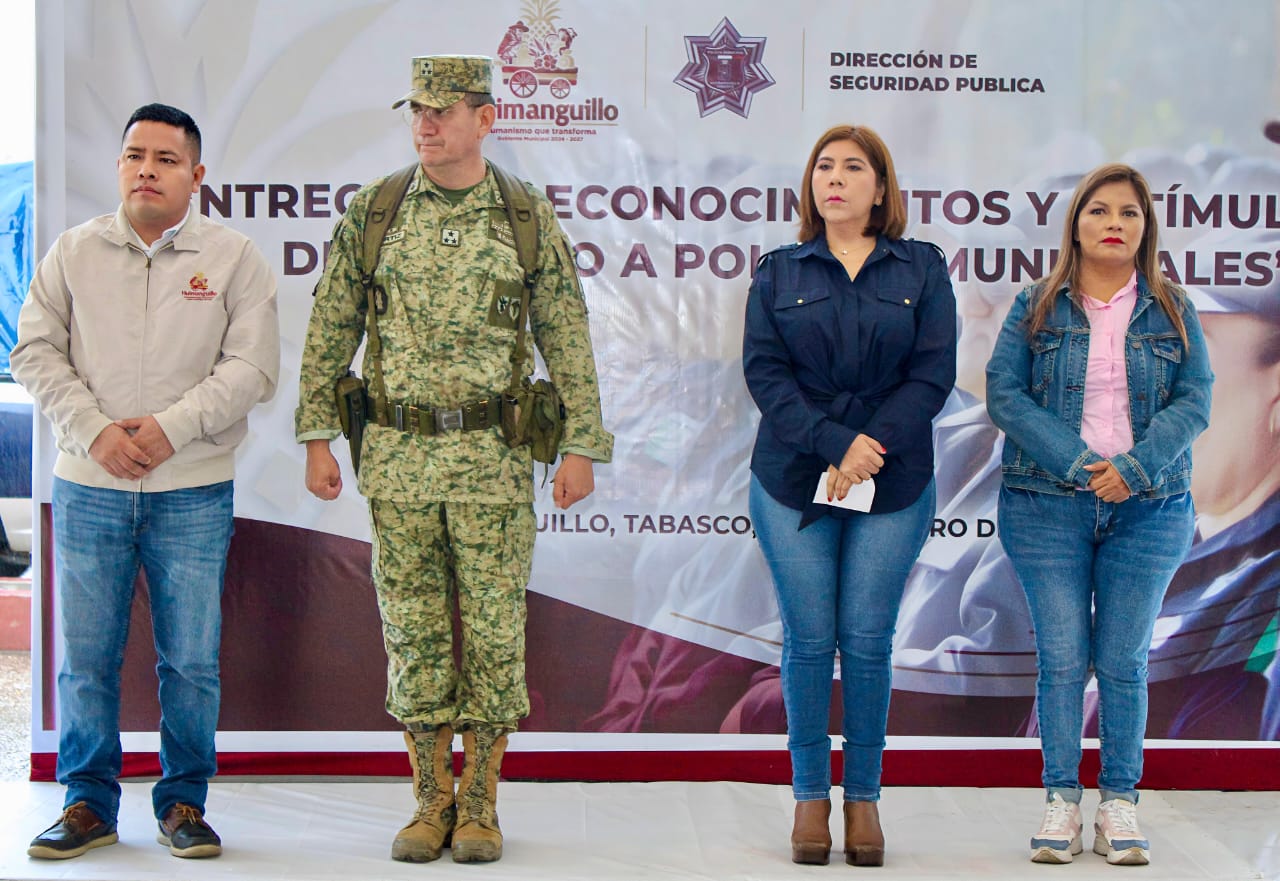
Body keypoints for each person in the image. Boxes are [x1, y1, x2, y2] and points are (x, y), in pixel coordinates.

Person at [295, 55, 612, 864]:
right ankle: (430, 799)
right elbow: (332, 328)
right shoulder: (376, 210)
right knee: (414, 631)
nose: (426, 124)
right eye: (418, 110)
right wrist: (317, 436)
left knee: (498, 633)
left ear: (485, 118)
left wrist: (580, 443)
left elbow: (565, 333)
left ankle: (481, 803)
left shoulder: (522, 213)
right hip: (398, 462)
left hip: (494, 462)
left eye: (444, 110)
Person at [10, 103, 280, 860]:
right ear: (119, 166)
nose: (147, 170)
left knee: (190, 659)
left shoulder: (233, 257)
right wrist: (95, 430)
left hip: (191, 488)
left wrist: (171, 428)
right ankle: (88, 802)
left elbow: (252, 367)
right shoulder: (73, 252)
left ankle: (183, 802)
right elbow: (34, 351)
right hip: (89, 484)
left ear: (196, 176)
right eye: (135, 155)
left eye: (166, 158)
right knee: (85, 656)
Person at [985, 163, 1213, 866]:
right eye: (1099, 210)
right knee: (1062, 658)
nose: (1115, 222)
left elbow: (1194, 401)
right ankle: (1061, 799)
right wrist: (1082, 465)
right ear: (1076, 224)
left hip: (1150, 508)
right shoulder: (1036, 304)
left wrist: (1134, 470)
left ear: (1145, 228)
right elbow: (1005, 395)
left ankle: (1119, 803)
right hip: (1045, 505)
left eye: (1130, 213)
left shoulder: (1172, 308)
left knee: (1122, 660)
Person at [742, 124, 957, 867]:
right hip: (795, 473)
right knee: (809, 640)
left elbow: (932, 374)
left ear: (880, 186)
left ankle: (861, 796)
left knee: (866, 639)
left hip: (893, 478)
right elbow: (765, 375)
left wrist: (869, 450)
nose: (834, 177)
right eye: (823, 166)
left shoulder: (923, 268)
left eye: (852, 166)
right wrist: (835, 443)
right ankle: (809, 797)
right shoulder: (778, 271)